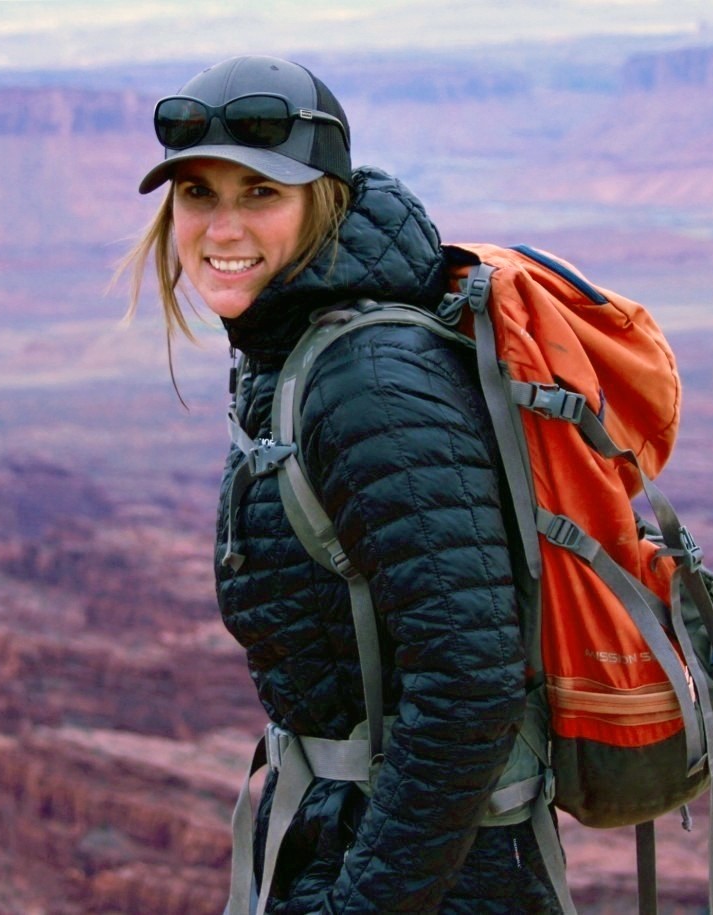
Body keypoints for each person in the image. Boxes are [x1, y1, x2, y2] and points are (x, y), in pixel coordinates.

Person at [124, 55, 565, 914]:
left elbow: (471, 679)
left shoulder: (369, 381)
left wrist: (358, 903)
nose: (221, 227)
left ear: (322, 199)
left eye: (260, 192)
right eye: (198, 193)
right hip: (354, 844)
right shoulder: (290, 345)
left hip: (441, 881)